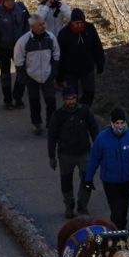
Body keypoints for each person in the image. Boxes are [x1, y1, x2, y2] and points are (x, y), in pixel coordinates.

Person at [83, 108, 129, 229]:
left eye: (121, 123)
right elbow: (94, 160)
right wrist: (88, 179)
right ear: (111, 123)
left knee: (124, 207)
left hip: (126, 180)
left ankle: (121, 230)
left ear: (125, 122)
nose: (119, 126)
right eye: (116, 123)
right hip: (110, 181)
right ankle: (115, 232)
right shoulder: (102, 138)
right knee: (116, 210)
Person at [48, 86, 100, 219]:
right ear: (63, 100)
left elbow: (94, 131)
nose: (70, 101)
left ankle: (82, 205)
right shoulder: (58, 115)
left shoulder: (84, 111)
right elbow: (52, 136)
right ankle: (69, 205)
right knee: (66, 181)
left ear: (76, 98)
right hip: (65, 154)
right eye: (67, 99)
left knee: (87, 180)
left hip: (84, 153)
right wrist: (51, 156)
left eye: (73, 98)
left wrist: (99, 150)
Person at [13, 12, 60, 133]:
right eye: (39, 25)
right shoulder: (23, 41)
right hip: (31, 76)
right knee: (34, 102)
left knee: (51, 101)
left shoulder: (50, 37)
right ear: (32, 26)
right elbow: (18, 60)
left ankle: (52, 123)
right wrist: (24, 77)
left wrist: (53, 72)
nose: (43, 26)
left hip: (47, 75)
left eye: (43, 23)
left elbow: (56, 55)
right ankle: (36, 123)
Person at [0, 0, 29, 109]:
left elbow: (28, 24)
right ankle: (8, 100)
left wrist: (26, 41)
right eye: (7, 0)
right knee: (5, 75)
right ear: (3, 0)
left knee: (22, 73)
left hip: (19, 48)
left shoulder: (21, 8)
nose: (10, 2)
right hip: (3, 48)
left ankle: (17, 96)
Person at [57, 8, 105, 107]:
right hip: (70, 71)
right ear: (71, 22)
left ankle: (85, 110)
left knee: (90, 92)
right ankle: (74, 113)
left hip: (87, 68)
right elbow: (60, 56)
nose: (79, 25)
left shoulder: (90, 29)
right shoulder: (64, 34)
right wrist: (59, 76)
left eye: (81, 23)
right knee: (72, 95)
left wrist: (100, 62)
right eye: (76, 23)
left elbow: (97, 46)